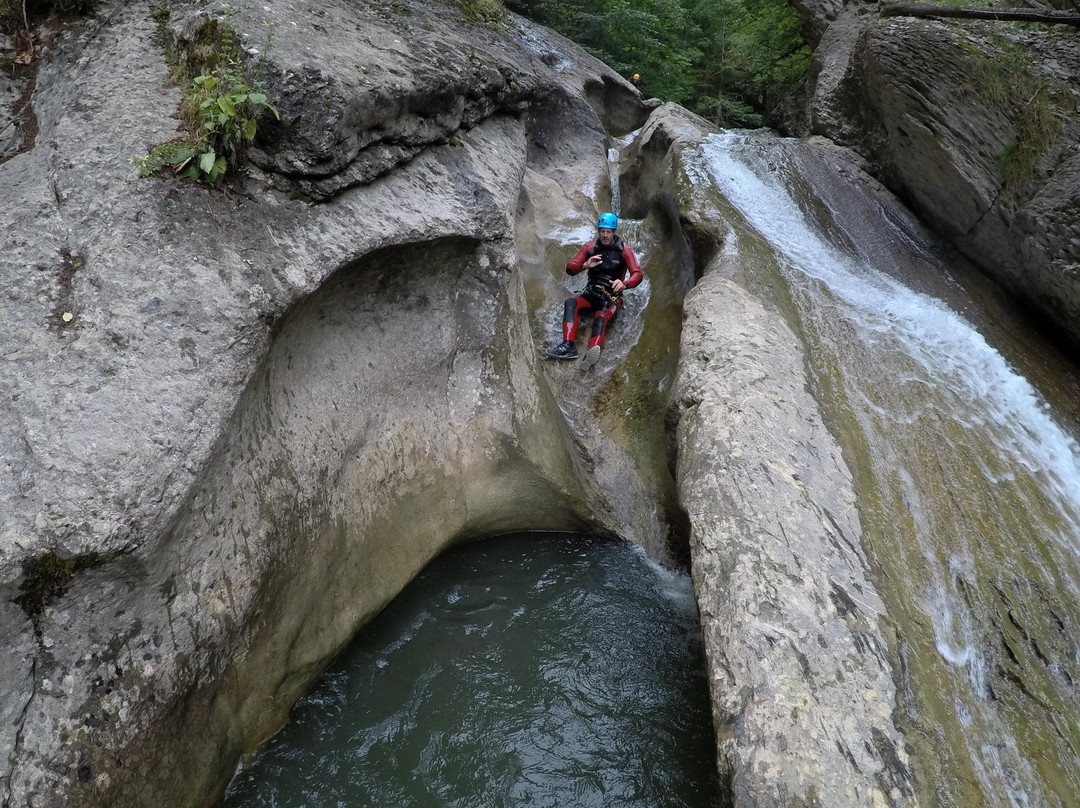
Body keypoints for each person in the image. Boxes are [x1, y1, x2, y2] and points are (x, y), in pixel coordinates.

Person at [547, 212, 642, 369]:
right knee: (571, 302)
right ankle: (568, 346)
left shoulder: (624, 250)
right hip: (591, 293)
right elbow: (570, 268)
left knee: (600, 318)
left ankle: (590, 357)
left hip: (611, 297)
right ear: (598, 231)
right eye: (602, 231)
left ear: (614, 232)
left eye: (608, 232)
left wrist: (624, 284)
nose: (604, 235)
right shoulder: (589, 247)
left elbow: (637, 274)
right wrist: (585, 265)